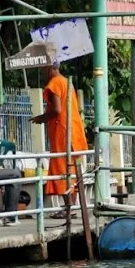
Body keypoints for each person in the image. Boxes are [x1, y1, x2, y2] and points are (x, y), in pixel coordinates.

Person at [32, 61, 89, 210]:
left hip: (63, 132)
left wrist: (42, 118)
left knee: (62, 170)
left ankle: (69, 207)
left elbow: (57, 110)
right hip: (73, 131)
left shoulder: (55, 83)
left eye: (42, 69)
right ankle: (72, 207)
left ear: (48, 68)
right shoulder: (66, 82)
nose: (42, 72)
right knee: (72, 171)